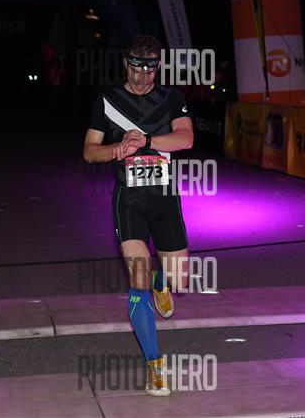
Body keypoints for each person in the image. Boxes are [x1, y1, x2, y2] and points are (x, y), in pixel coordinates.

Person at [83, 35, 194, 397]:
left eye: (150, 70)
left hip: (164, 200)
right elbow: (89, 151)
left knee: (179, 278)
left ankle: (162, 282)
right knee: (138, 277)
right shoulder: (107, 100)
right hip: (128, 199)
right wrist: (116, 148)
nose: (143, 77)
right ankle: (154, 363)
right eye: (137, 69)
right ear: (126, 65)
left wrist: (144, 141)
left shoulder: (171, 97)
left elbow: (185, 139)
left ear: (158, 68)